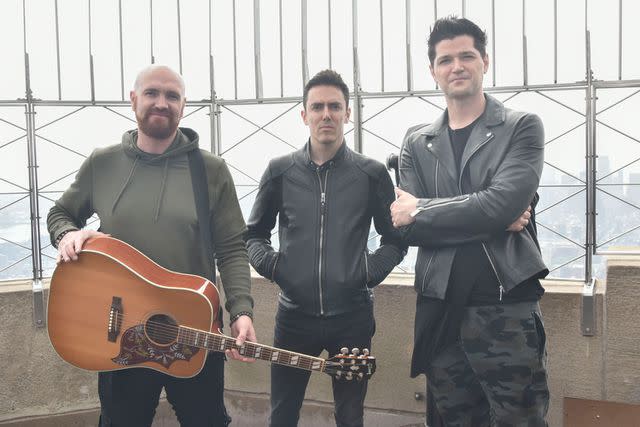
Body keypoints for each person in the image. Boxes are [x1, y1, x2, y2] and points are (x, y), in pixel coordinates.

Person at [47, 64, 256, 427]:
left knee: (205, 420)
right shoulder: (103, 163)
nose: (162, 103)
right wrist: (67, 234)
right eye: (152, 93)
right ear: (133, 100)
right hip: (118, 335)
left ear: (184, 104)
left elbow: (232, 249)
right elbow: (61, 213)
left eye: (172, 96)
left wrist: (242, 311)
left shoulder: (211, 171)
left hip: (194, 328)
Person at [390, 17, 550, 427]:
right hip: (441, 307)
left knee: (521, 419)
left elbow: (500, 204)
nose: (456, 66)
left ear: (485, 61)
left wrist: (425, 208)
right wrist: (492, 213)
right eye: (445, 60)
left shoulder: (521, 127)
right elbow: (405, 227)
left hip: (505, 305)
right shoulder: (416, 142)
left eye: (466, 56)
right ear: (433, 71)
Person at [246, 69, 405, 427]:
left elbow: (395, 239)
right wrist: (277, 268)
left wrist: (366, 273)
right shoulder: (279, 172)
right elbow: (253, 235)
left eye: (335, 106)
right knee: (282, 413)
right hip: (293, 317)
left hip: (353, 318)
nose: (326, 114)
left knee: (350, 416)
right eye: (317, 107)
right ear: (304, 115)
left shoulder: (371, 173)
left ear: (348, 113)